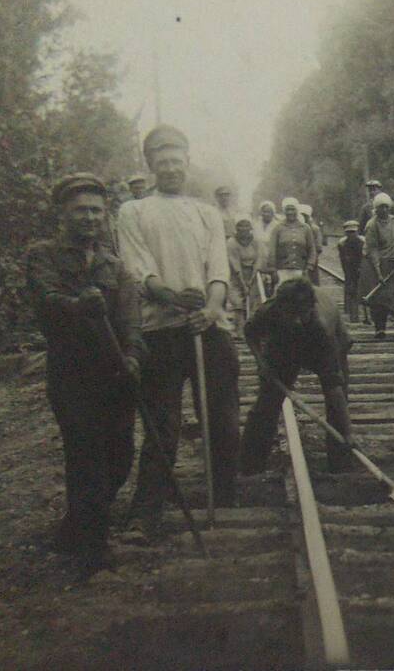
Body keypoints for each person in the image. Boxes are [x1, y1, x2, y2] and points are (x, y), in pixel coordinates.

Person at [117, 125, 240, 537]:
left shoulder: (205, 212)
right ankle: (148, 508)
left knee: (221, 415)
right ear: (150, 164)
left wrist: (209, 308)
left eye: (176, 160)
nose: (170, 167)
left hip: (208, 326)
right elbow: (138, 269)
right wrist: (170, 297)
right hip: (162, 330)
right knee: (161, 422)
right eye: (162, 160)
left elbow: (218, 269)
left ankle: (226, 494)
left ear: (187, 162)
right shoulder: (133, 211)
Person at [26, 173, 145, 574]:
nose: (89, 218)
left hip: (114, 377)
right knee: (86, 458)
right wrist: (79, 305)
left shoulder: (115, 265)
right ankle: (93, 551)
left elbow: (130, 318)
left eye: (96, 210)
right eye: (80, 210)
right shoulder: (43, 255)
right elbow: (46, 301)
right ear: (62, 213)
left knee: (120, 458)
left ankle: (76, 526)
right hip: (72, 376)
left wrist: (132, 356)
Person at [242, 279, 355, 473]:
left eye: (300, 315)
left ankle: (341, 459)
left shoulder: (322, 330)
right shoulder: (269, 311)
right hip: (283, 344)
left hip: (324, 342)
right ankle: (250, 462)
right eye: (290, 315)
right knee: (267, 400)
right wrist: (261, 363)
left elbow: (334, 388)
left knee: (337, 401)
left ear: (310, 309)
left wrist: (349, 432)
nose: (295, 320)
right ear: (281, 308)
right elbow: (250, 332)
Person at [359, 192, 394, 339]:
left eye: (386, 207)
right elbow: (372, 250)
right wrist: (378, 273)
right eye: (380, 207)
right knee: (377, 297)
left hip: (391, 264)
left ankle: (382, 324)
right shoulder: (371, 225)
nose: (384, 210)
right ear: (376, 209)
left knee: (387, 297)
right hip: (374, 264)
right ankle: (379, 328)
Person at [265, 197, 317, 290]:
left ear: (297, 210)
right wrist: (273, 270)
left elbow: (312, 249)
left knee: (299, 298)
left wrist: (309, 267)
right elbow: (272, 250)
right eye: (287, 209)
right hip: (282, 271)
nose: (290, 212)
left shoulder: (305, 228)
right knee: (283, 298)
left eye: (292, 209)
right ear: (284, 211)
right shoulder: (278, 228)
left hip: (300, 271)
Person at [227, 218, 262, 336]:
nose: (243, 229)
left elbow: (258, 260)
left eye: (246, 226)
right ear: (236, 228)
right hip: (235, 275)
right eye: (240, 226)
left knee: (253, 302)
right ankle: (239, 331)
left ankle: (252, 331)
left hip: (252, 273)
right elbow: (235, 265)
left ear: (251, 228)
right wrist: (243, 284)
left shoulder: (256, 241)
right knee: (238, 302)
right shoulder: (231, 243)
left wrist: (252, 279)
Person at [338, 220, 365, 323]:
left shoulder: (363, 242)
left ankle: (362, 313)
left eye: (353, 232)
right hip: (349, 266)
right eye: (349, 232)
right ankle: (353, 315)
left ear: (357, 232)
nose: (351, 234)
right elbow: (343, 259)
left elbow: (365, 256)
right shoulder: (342, 243)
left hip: (361, 265)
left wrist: (362, 268)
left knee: (362, 289)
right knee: (351, 288)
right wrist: (347, 271)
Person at [300, 204, 323, 285]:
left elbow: (319, 247)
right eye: (301, 215)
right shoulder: (298, 228)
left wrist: (312, 258)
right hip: (300, 260)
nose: (303, 218)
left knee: (313, 283)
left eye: (305, 216)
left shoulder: (315, 229)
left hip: (312, 261)